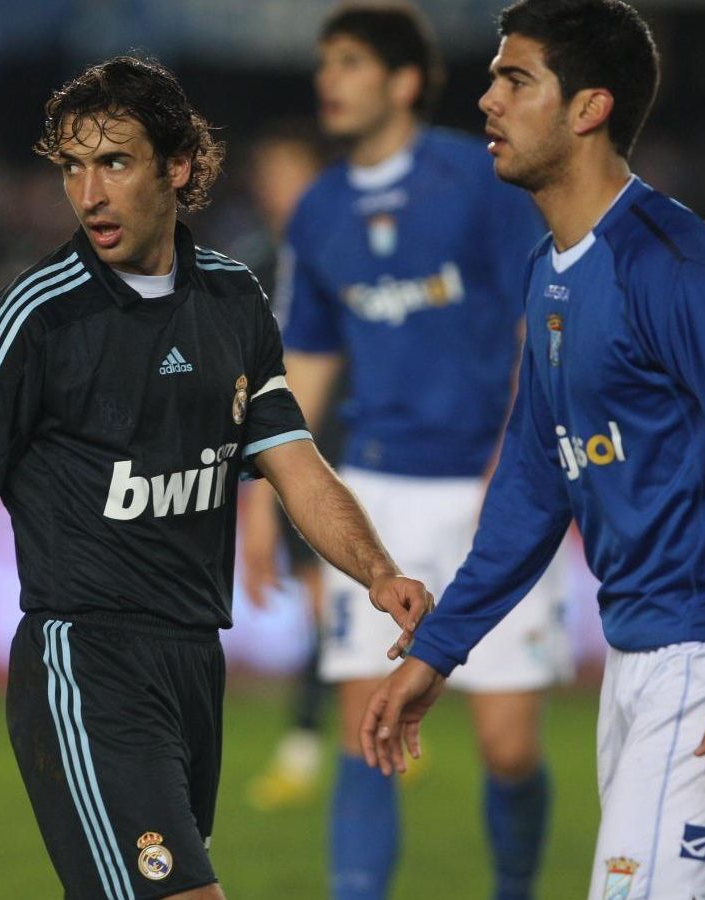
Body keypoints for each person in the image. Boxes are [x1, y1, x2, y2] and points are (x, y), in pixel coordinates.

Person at [0, 56, 434, 900]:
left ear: (177, 167)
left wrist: (377, 573)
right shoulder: (29, 324)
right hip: (85, 665)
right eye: (72, 168)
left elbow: (293, 460)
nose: (89, 194)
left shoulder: (232, 300)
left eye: (113, 162)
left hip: (193, 664)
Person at [360, 2, 705, 898]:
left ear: (589, 109)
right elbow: (536, 486)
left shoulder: (674, 266)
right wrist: (438, 652)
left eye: (516, 79)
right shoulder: (553, 270)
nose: (488, 101)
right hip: (646, 655)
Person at [238, 6, 569, 899]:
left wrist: (525, 458)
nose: (328, 81)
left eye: (348, 63)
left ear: (404, 82)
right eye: (325, 65)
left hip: (492, 489)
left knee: (509, 749)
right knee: (368, 729)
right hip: (375, 489)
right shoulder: (319, 212)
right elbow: (301, 362)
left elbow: (535, 321)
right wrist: (265, 494)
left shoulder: (478, 180)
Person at [234, 125, 338, 813]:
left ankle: (309, 745)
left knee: (337, 610)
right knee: (328, 612)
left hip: (352, 451)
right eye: (270, 176)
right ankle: (357, 732)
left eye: (290, 172)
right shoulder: (252, 268)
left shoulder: (340, 257)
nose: (281, 189)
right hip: (285, 453)